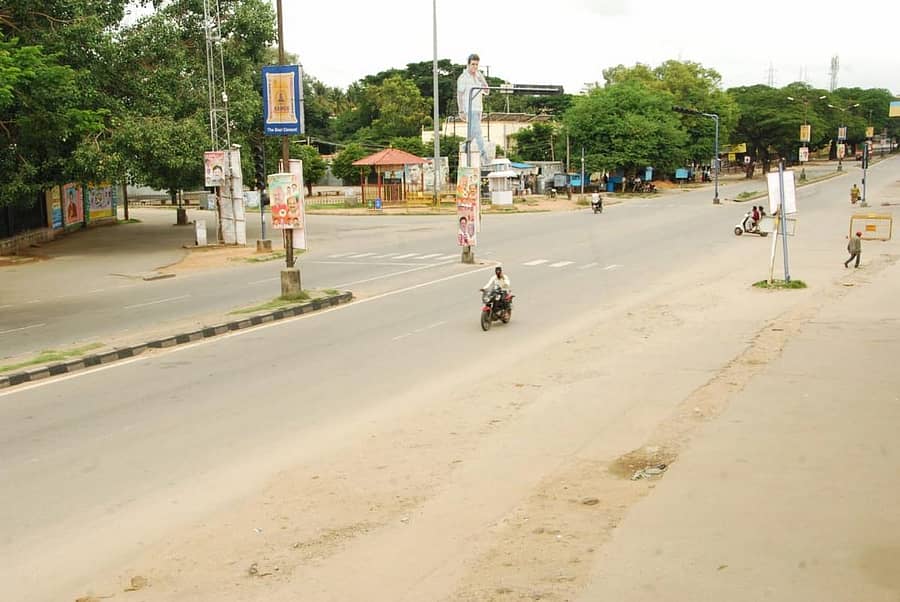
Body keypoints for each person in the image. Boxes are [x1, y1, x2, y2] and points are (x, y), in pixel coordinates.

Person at [457, 53, 490, 166]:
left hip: (478, 108)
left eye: (477, 64)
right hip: (469, 108)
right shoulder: (463, 77)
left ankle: (465, 147)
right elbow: (459, 95)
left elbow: (487, 91)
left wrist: (481, 79)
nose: (475, 67)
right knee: (478, 132)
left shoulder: (478, 76)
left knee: (472, 133)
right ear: (468, 64)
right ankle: (483, 155)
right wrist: (461, 111)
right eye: (473, 64)